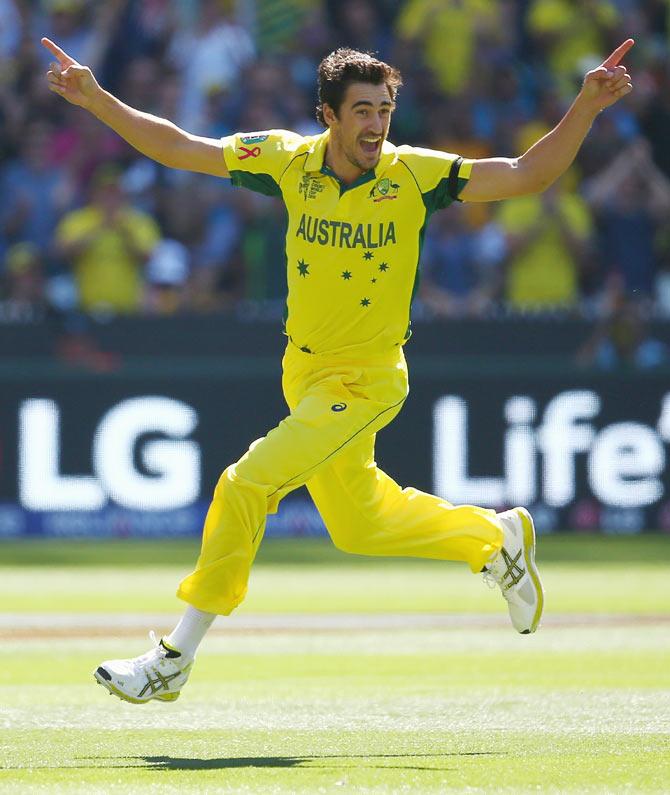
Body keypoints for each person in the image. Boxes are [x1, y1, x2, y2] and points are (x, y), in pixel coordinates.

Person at [42, 35, 633, 704]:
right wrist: (95, 99)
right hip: (305, 372)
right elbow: (179, 147)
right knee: (361, 525)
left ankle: (175, 654)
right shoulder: (286, 161)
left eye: (384, 110)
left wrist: (586, 104)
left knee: (246, 483)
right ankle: (492, 537)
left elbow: (526, 173)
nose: (377, 125)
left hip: (367, 378)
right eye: (361, 111)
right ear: (328, 115)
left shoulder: (416, 174)